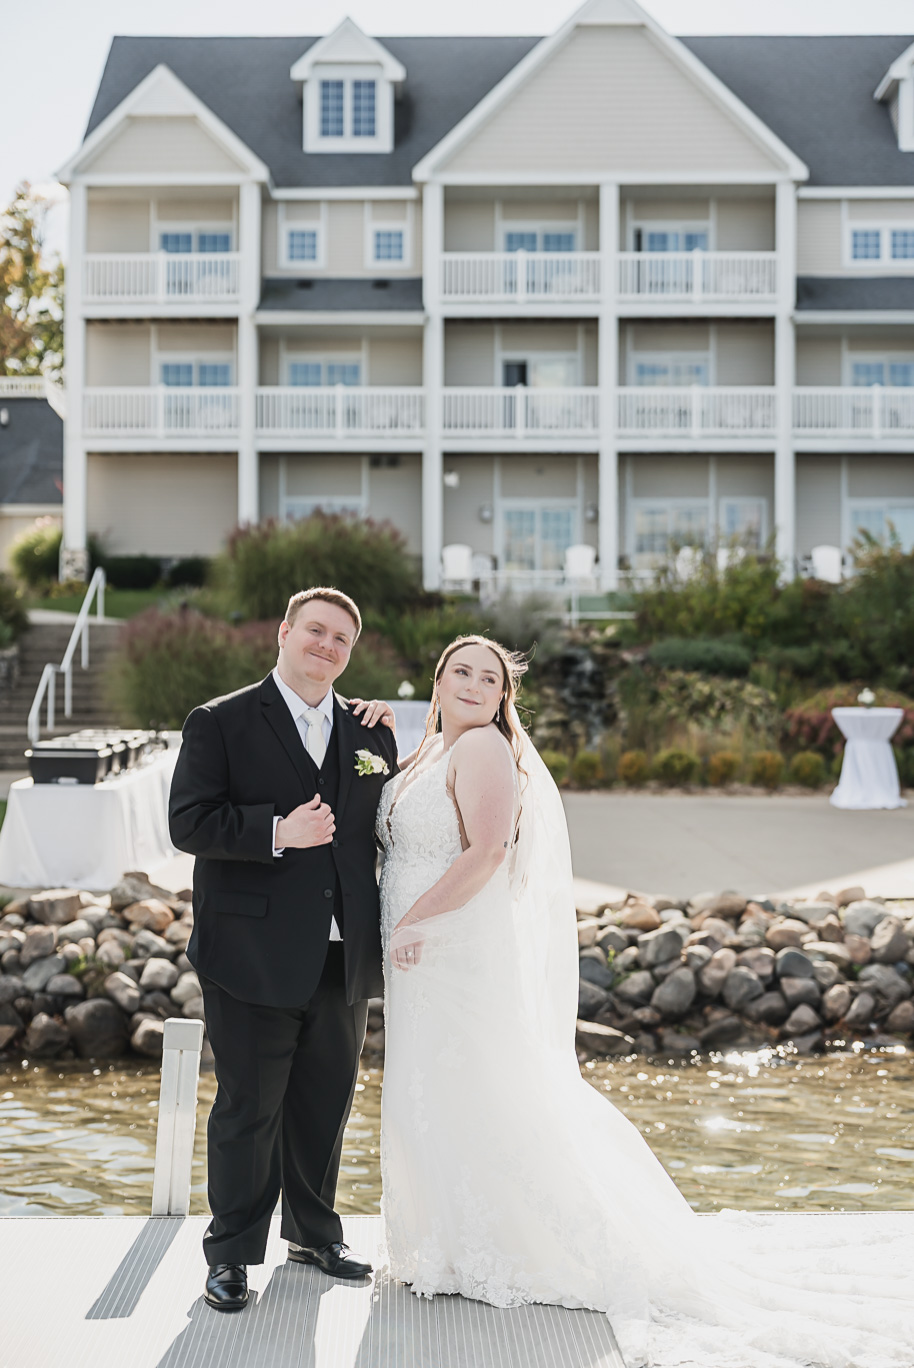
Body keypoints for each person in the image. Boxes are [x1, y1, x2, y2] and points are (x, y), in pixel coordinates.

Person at [376, 634, 913, 1368]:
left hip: (448, 949)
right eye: (460, 672)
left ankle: (493, 1243)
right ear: (436, 682)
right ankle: (442, 1238)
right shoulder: (429, 753)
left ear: (505, 697)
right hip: (423, 957)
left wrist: (414, 924)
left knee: (479, 1088)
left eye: (489, 679)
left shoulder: (483, 751)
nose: (473, 685)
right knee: (435, 1090)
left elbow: (489, 852)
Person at [168, 586, 398, 1312]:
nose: (327, 647)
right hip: (250, 952)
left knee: (325, 1101)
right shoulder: (221, 721)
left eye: (341, 640)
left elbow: (383, 825)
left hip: (343, 956)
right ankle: (232, 1255)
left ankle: (313, 1233)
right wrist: (275, 831)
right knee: (248, 1108)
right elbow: (189, 823)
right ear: (285, 633)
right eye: (316, 632)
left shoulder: (370, 733)